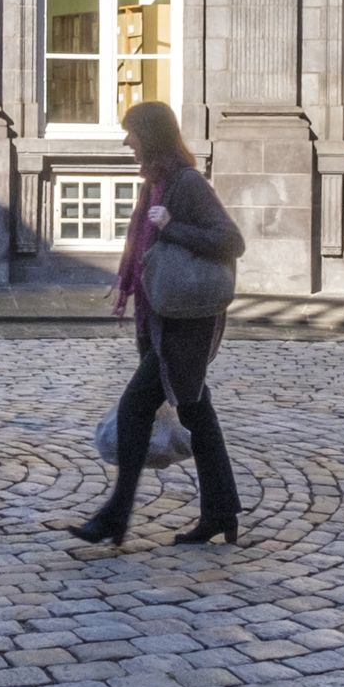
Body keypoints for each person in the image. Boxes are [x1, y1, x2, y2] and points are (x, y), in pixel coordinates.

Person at [70, 100, 246, 547]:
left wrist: (171, 227)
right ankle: (221, 511)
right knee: (195, 411)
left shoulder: (185, 183)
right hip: (161, 319)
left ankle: (115, 515)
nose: (126, 141)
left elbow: (231, 240)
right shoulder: (156, 183)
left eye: (131, 132)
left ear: (150, 135)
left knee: (134, 410)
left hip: (186, 326)